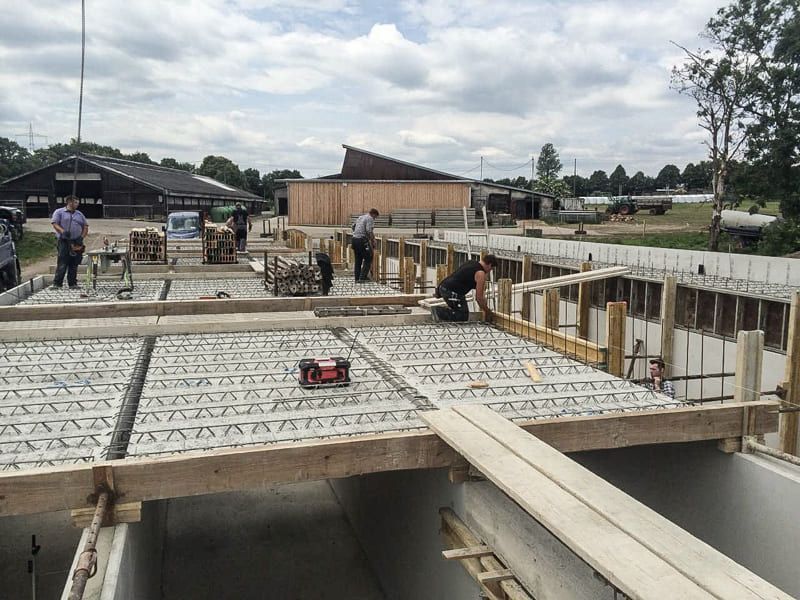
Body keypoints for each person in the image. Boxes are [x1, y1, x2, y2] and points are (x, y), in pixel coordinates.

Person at [434, 254, 497, 322]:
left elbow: (456, 276)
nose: (489, 271)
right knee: (462, 316)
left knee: (460, 312)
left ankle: (442, 313)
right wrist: (487, 311)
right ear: (490, 265)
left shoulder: (471, 263)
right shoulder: (480, 273)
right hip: (452, 292)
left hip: (444, 287)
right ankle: (437, 312)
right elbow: (479, 298)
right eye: (491, 269)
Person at [51, 195, 89, 289]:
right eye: (75, 202)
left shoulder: (79, 214)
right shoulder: (59, 212)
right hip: (64, 241)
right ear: (69, 202)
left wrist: (81, 237)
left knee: (74, 263)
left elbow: (85, 226)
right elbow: (55, 223)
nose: (77, 204)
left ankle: (72, 283)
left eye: (78, 203)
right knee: (62, 262)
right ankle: (57, 283)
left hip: (76, 241)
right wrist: (63, 231)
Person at [351, 208, 379, 282]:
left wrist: (357, 233)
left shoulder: (361, 217)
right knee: (368, 258)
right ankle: (362, 277)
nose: (374, 219)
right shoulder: (370, 218)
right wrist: (373, 240)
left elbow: (353, 226)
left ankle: (357, 278)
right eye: (375, 217)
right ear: (373, 214)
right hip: (361, 241)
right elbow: (369, 230)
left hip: (354, 240)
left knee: (358, 260)